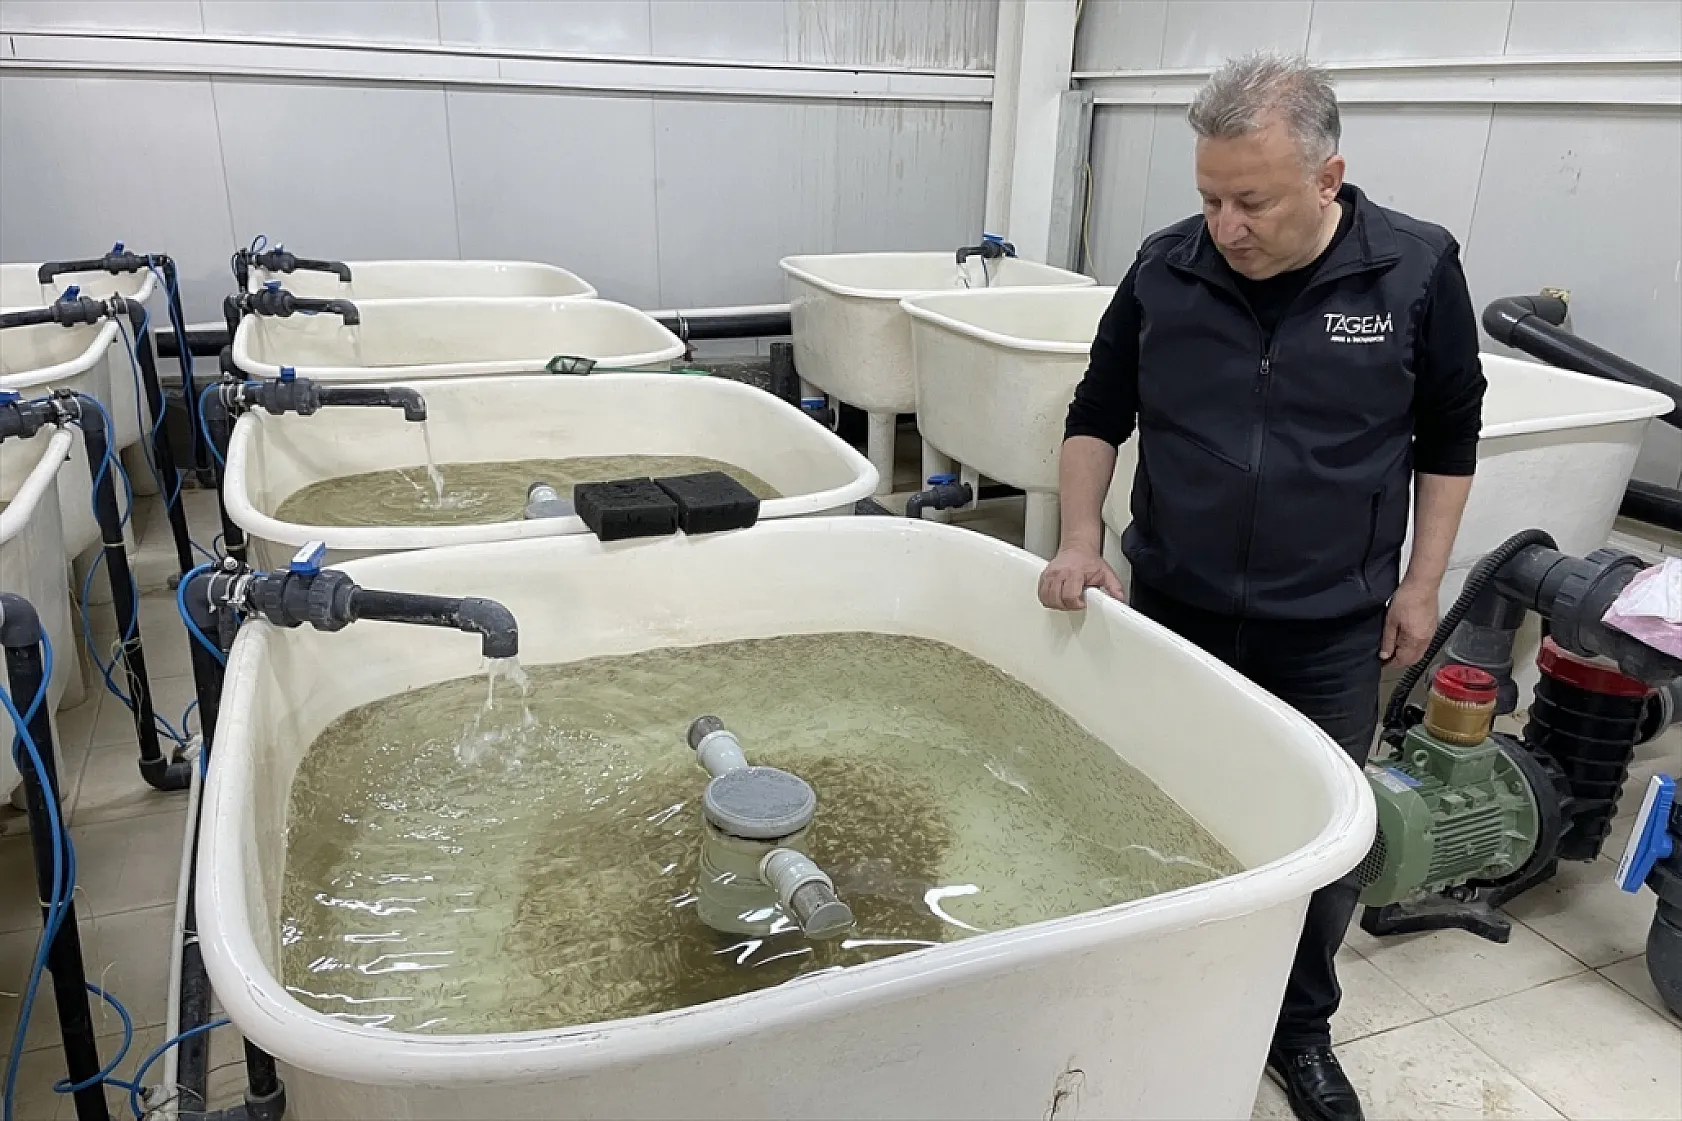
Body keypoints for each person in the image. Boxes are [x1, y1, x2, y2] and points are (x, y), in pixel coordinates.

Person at [1038, 53, 1485, 1121]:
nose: (1225, 225)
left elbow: (1449, 433)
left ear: (1328, 177)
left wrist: (1420, 584)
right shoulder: (1163, 269)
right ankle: (1154, 993)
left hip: (1327, 619)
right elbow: (1097, 410)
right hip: (1177, 605)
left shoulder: (1412, 270)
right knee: (1152, 801)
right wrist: (1075, 535)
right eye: (1208, 197)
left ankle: (1297, 1028)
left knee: (1323, 836)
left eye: (1250, 200)